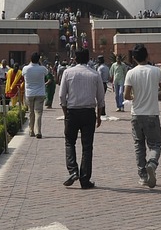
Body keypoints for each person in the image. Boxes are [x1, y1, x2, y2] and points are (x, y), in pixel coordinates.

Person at [57, 48, 104, 189]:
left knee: (69, 142)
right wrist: (98, 115)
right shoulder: (95, 74)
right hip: (88, 112)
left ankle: (73, 170)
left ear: (75, 59)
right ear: (88, 58)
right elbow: (100, 98)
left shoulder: (67, 72)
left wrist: (66, 112)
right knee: (87, 147)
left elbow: (61, 96)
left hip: (72, 111)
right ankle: (85, 179)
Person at [123, 44, 161, 188]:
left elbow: (126, 95)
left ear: (134, 58)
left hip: (136, 114)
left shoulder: (131, 73)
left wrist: (135, 96)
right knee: (155, 144)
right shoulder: (156, 71)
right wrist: (154, 96)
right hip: (152, 114)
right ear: (147, 56)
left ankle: (143, 176)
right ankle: (152, 163)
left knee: (139, 145)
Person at [20, 52, 48, 138]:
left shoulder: (25, 69)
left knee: (31, 112)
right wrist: (41, 63)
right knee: (38, 113)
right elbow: (47, 73)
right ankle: (38, 131)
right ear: (38, 59)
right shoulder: (42, 68)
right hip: (40, 93)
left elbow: (22, 75)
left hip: (29, 93)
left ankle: (31, 130)